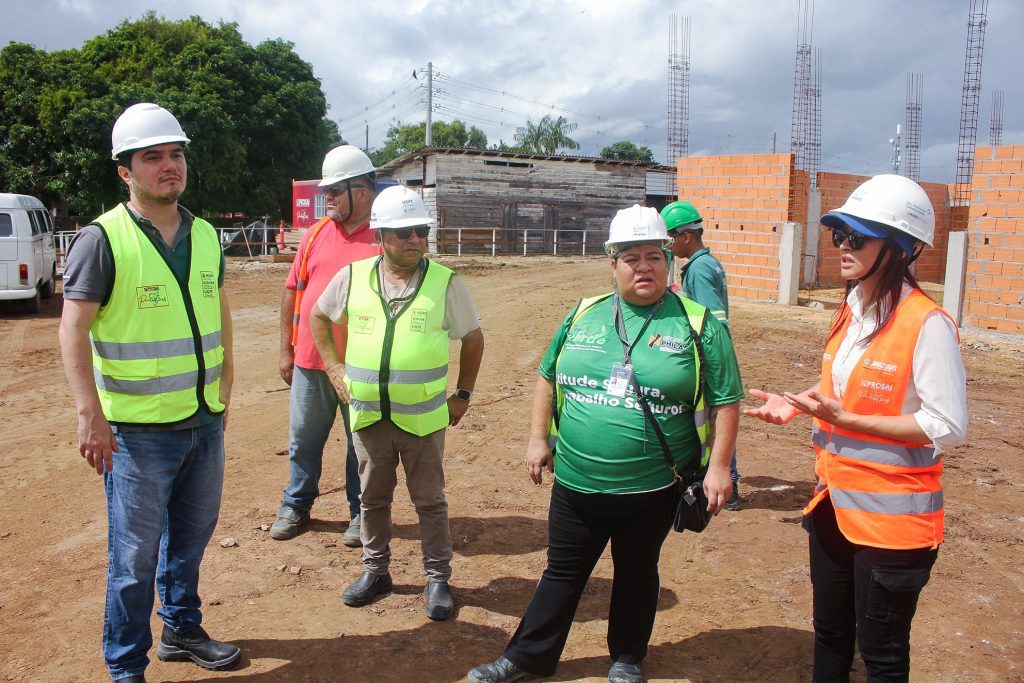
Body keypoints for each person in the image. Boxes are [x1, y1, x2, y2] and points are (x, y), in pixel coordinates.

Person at [468, 205, 743, 683]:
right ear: (613, 263)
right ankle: (526, 658)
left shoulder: (697, 325)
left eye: (654, 256)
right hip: (575, 483)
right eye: (631, 258)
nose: (644, 267)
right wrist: (536, 439)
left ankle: (627, 658)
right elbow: (547, 377)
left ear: (669, 261)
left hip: (651, 487)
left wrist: (719, 468)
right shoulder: (584, 313)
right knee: (562, 572)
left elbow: (726, 401)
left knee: (637, 571)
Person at [744, 174, 967, 682]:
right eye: (838, 234)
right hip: (833, 506)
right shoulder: (853, 308)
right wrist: (798, 404)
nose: (843, 246)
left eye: (857, 237)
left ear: (902, 248)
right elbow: (845, 389)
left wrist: (845, 420)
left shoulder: (926, 323)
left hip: (894, 526)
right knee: (830, 634)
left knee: (881, 654)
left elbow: (947, 424)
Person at [58, 103, 240, 682]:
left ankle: (181, 629)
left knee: (190, 539)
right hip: (137, 433)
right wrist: (89, 414)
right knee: (133, 559)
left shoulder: (205, 235)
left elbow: (219, 312)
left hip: (202, 421)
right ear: (125, 171)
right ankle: (126, 666)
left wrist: (224, 388)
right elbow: (72, 328)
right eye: (153, 157)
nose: (169, 166)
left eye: (176, 155)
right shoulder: (102, 240)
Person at [310, 185, 484, 621]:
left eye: (421, 231)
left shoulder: (445, 283)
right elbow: (318, 315)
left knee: (430, 501)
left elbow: (473, 338)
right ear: (380, 236)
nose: (415, 240)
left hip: (423, 420)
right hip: (369, 417)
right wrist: (333, 367)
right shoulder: (353, 277)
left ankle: (438, 578)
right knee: (372, 499)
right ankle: (376, 571)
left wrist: (463, 394)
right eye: (404, 232)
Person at [270, 145, 382, 547]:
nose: (328, 198)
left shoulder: (385, 237)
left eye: (335, 191)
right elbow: (292, 290)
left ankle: (360, 512)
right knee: (303, 440)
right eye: (327, 191)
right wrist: (286, 349)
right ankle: (296, 505)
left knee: (361, 444)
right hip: (310, 362)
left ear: (362, 191)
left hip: (361, 366)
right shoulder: (316, 233)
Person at [661, 200, 743, 511]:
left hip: (707, 357)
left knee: (714, 417)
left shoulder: (699, 269)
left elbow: (713, 319)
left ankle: (729, 484)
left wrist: (707, 360)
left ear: (685, 236)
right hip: (708, 353)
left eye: (670, 238)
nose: (668, 245)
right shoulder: (705, 264)